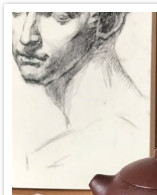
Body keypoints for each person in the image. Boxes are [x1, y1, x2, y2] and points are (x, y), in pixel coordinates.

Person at [11, 12, 149, 182]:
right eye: (16, 13)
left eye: (59, 16)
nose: (26, 38)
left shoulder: (118, 138)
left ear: (108, 23)